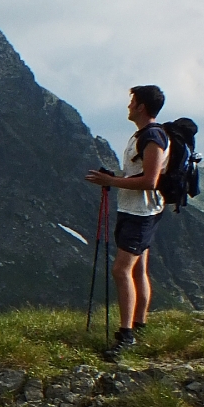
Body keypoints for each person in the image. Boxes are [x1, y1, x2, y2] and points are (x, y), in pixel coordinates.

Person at [84, 85, 169, 360]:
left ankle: (126, 335)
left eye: (132, 101)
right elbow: (139, 174)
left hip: (140, 213)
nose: (129, 106)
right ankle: (139, 325)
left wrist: (111, 182)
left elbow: (149, 181)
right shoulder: (144, 135)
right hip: (137, 211)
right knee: (139, 268)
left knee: (121, 271)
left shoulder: (153, 137)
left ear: (142, 107)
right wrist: (117, 178)